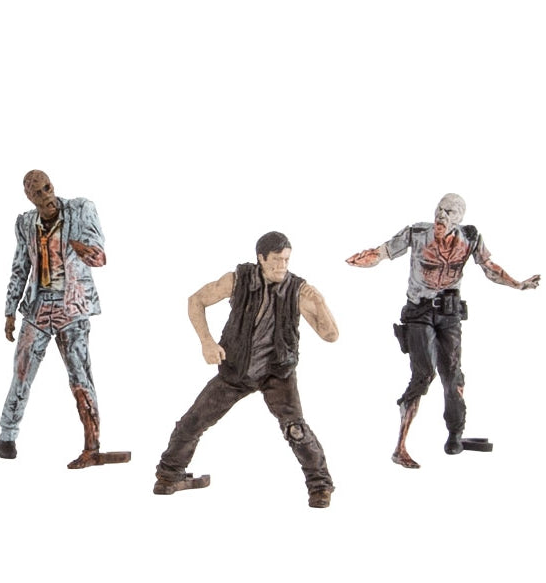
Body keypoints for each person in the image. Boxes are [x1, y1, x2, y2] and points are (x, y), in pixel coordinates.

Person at [346, 193, 540, 468]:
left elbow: (489, 268)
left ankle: (455, 434)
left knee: (452, 375)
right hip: (419, 312)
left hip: (449, 314)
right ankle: (400, 447)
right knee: (424, 374)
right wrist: (366, 258)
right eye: (439, 209)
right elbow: (384, 251)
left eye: (450, 212)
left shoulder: (470, 238)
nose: (441, 215)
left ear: (459, 218)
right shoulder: (417, 233)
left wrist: (518, 284)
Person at [154, 231, 339, 508]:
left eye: (286, 260)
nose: (282, 266)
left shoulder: (297, 289)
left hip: (278, 371)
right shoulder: (238, 279)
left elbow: (330, 335)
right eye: (276, 260)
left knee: (296, 430)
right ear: (261, 258)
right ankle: (169, 476)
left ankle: (320, 486)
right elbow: (196, 300)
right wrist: (207, 342)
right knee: (193, 421)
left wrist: (321, 304)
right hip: (237, 369)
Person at [0, 169, 129, 469]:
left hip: (72, 306)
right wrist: (9, 309)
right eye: (38, 193)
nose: (46, 196)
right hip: (37, 307)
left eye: (47, 188)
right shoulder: (25, 223)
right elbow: (20, 266)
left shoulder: (81, 209)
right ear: (29, 197)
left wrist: (82, 248)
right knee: (21, 371)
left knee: (80, 376)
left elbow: (99, 256)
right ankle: (8, 434)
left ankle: (92, 447)